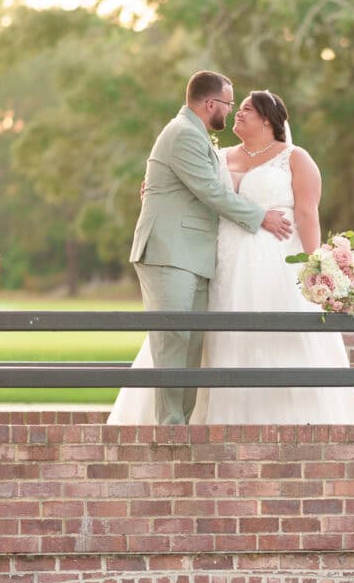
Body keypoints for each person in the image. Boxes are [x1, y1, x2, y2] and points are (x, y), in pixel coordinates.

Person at [109, 88, 354, 426]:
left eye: (245, 109)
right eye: (236, 107)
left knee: (276, 337)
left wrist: (315, 265)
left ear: (268, 119)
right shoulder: (218, 156)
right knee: (205, 335)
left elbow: (307, 213)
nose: (237, 114)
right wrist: (155, 189)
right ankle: (187, 419)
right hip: (221, 260)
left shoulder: (295, 157)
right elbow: (192, 189)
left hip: (275, 263)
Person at [117, 71, 294, 425]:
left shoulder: (197, 137)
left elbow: (200, 185)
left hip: (194, 255)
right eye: (229, 105)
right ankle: (170, 429)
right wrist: (260, 217)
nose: (229, 113)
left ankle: (181, 424)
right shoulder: (183, 135)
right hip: (170, 252)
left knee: (192, 344)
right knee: (173, 339)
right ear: (210, 103)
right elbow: (212, 192)